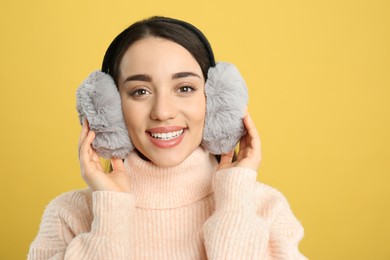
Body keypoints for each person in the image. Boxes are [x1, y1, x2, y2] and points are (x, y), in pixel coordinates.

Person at [28, 16, 307, 259]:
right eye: (140, 91)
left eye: (184, 88)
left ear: (216, 100)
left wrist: (234, 197)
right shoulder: (69, 216)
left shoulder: (264, 207)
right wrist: (111, 209)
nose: (162, 112)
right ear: (110, 108)